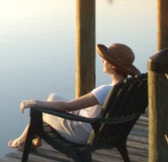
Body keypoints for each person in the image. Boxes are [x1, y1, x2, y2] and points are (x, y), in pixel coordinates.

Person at [8, 43, 141, 150]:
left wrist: (33, 102)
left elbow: (67, 107)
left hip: (83, 133)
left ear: (112, 65)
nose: (102, 62)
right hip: (100, 129)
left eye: (105, 60)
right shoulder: (126, 88)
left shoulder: (105, 90)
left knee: (39, 112)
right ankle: (35, 140)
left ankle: (22, 141)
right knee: (53, 97)